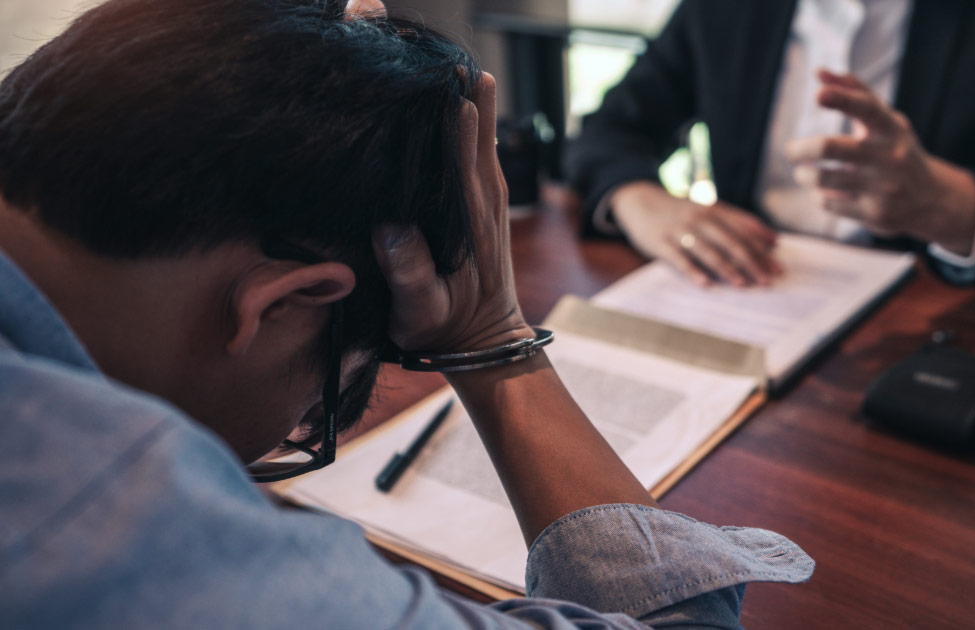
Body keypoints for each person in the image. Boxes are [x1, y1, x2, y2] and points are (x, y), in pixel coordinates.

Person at [0, 1, 814, 628]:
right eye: (332, 402)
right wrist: (493, 343)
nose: (312, 422)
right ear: (282, 303)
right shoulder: (120, 520)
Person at [566, 0, 975, 297]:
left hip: (931, 339)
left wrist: (943, 204)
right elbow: (609, 129)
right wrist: (638, 197)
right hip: (742, 296)